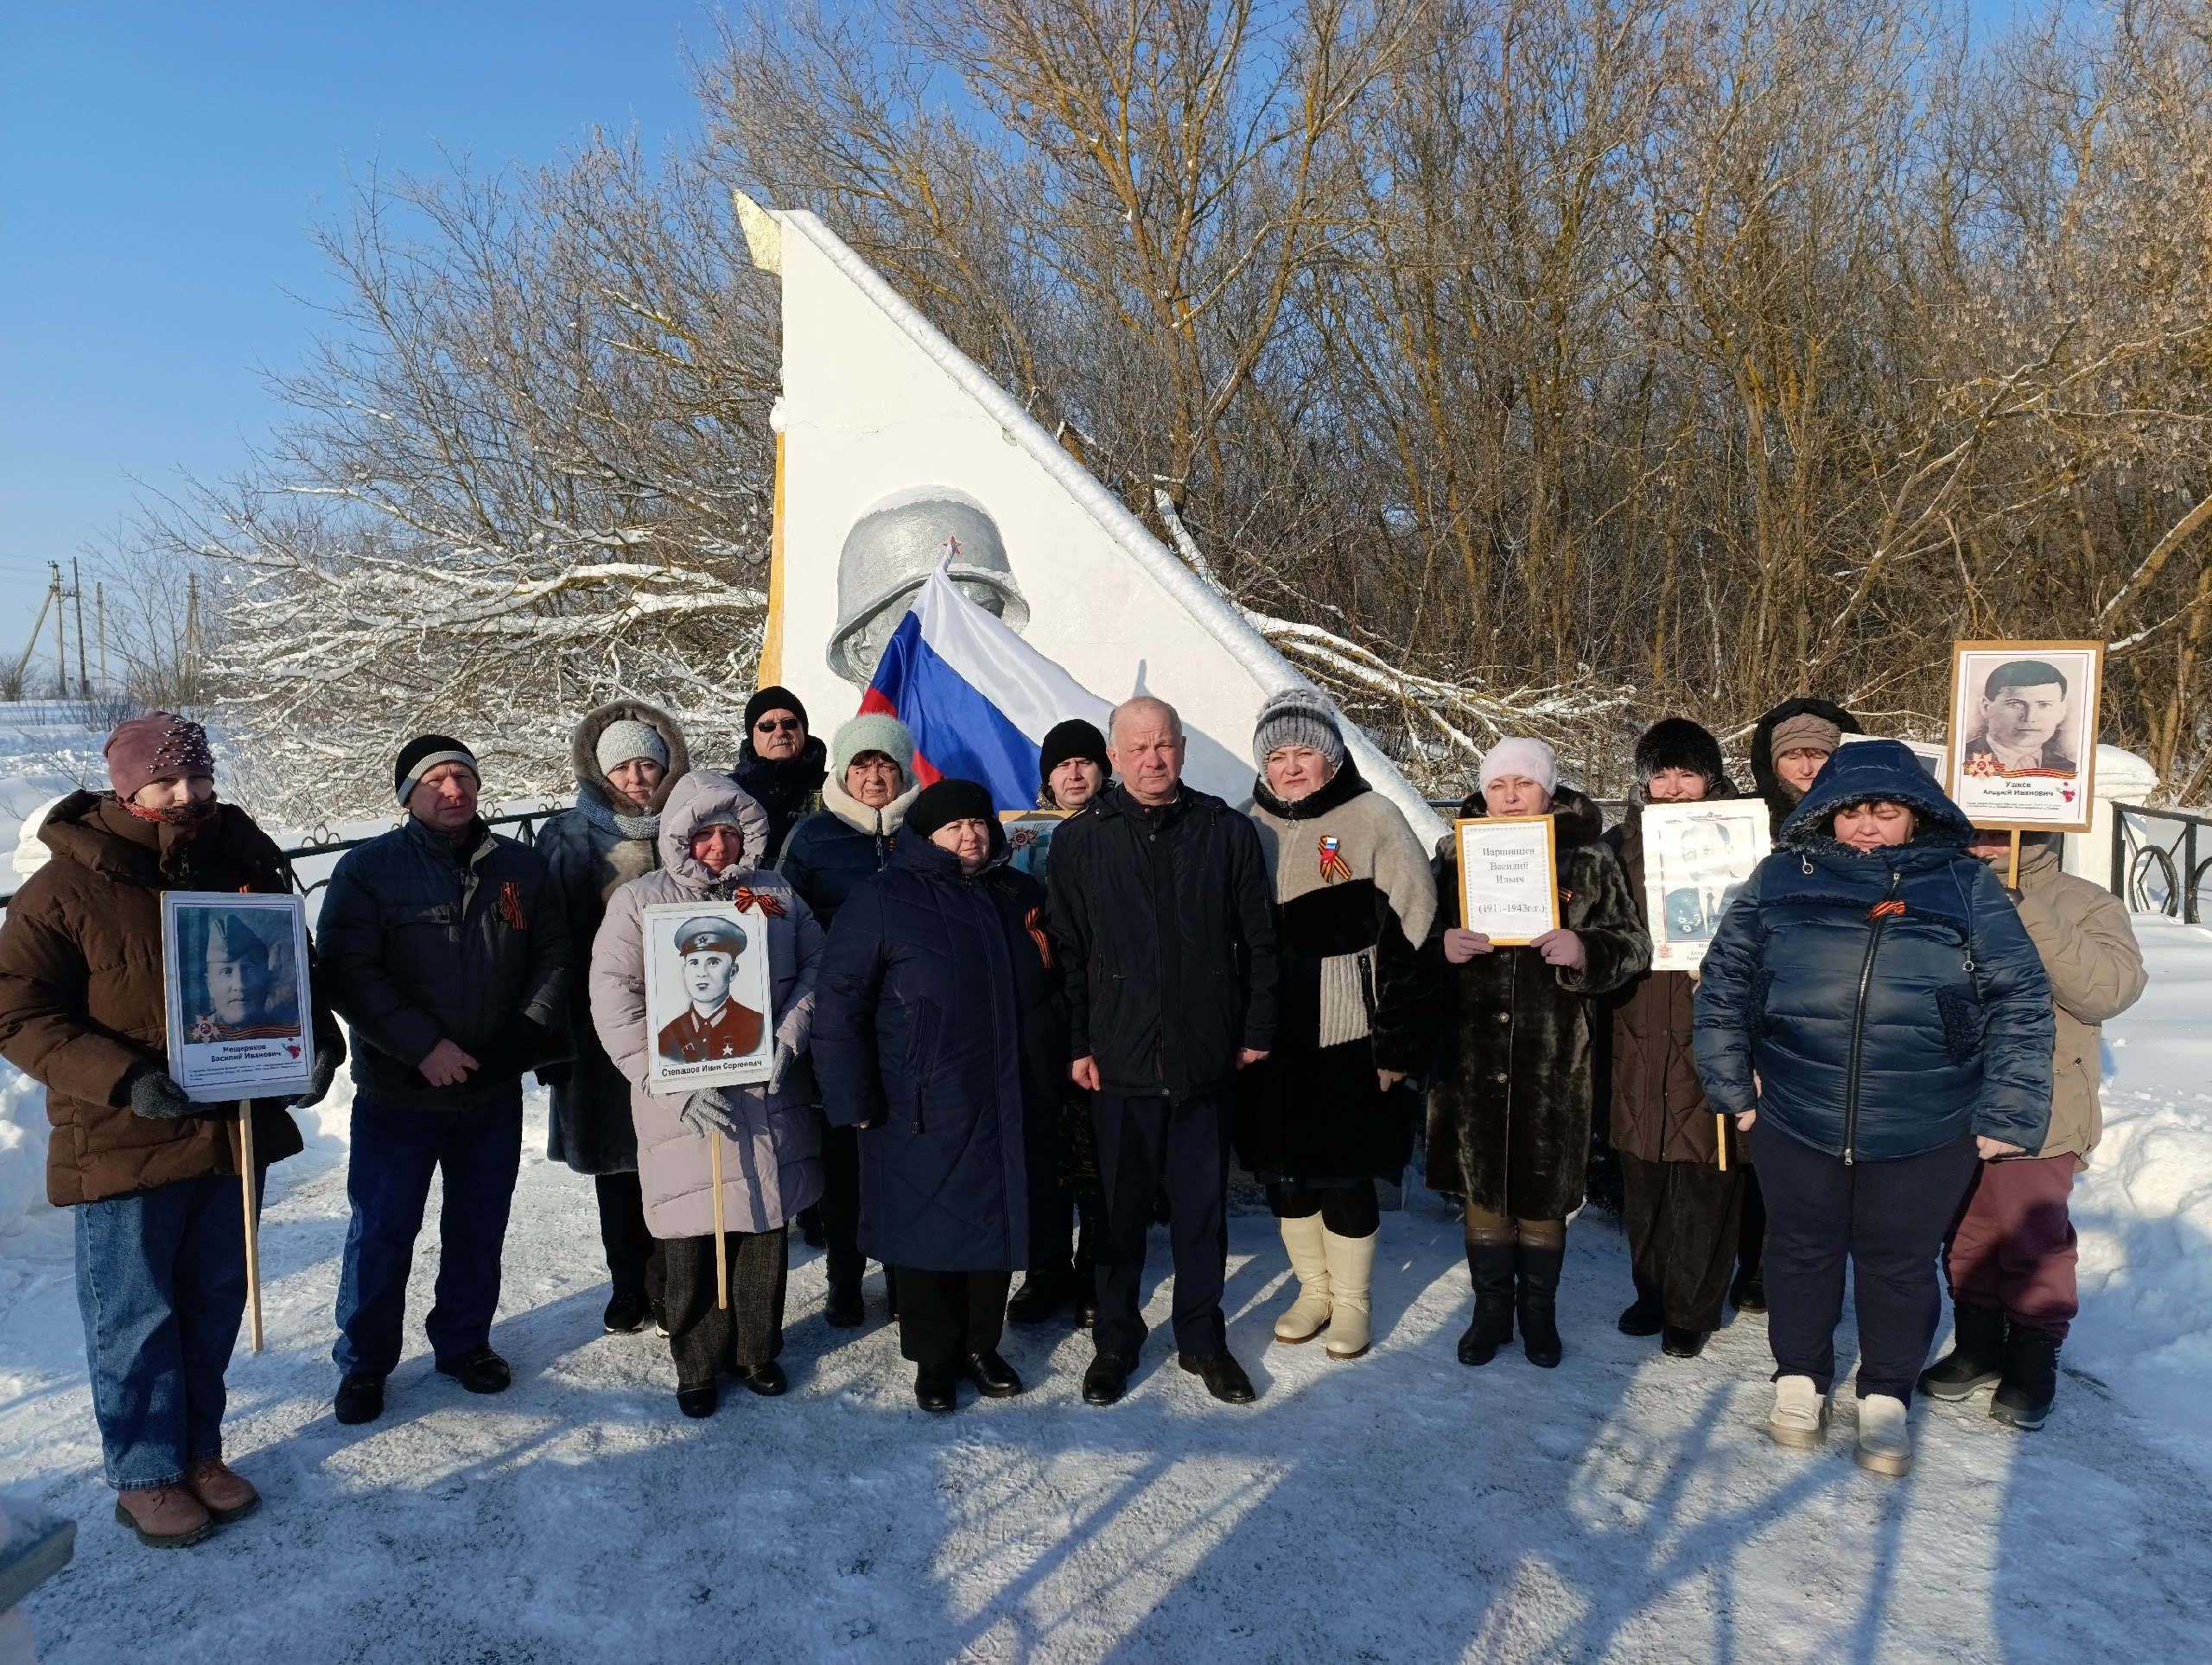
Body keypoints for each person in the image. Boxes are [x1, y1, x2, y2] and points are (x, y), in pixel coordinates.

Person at [0, 713, 341, 1547]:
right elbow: (16, 1011)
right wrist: (124, 1078)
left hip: (232, 1130)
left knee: (215, 1297)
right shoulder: (65, 887)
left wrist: (315, 1048)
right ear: (126, 787)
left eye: (200, 777)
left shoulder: (245, 861)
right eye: (167, 781)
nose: (188, 795)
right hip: (124, 1137)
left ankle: (199, 1451)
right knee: (136, 1311)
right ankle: (145, 1469)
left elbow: (292, 971)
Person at [1694, 740, 2054, 1477]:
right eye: (1850, 811)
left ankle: (1886, 1392)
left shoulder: (1963, 884)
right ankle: (1800, 1377)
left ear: (1915, 816)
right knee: (1800, 1247)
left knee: (1897, 1263)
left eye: (1884, 812)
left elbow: (2019, 997)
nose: (1865, 826)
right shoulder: (1778, 879)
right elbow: (1724, 982)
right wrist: (1732, 1086)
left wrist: (2007, 1109)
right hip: (1794, 1108)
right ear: (1824, 816)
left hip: (1927, 1120)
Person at [317, 734, 571, 1427]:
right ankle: (365, 1361)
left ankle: (464, 1341)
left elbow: (552, 948)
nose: (454, 789)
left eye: (464, 776)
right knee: (383, 1228)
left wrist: (526, 1031)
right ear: (407, 794)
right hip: (401, 1091)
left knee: (478, 1222)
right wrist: (421, 1044)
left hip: (490, 1088)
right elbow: (347, 969)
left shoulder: (519, 867)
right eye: (436, 779)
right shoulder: (369, 870)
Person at [1045, 695, 1280, 1408]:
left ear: (1183, 748)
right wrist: (1079, 1043)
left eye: (1165, 745)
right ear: (1115, 757)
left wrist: (1257, 1029)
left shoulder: (1225, 831)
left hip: (1205, 1055)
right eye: (1138, 747)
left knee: (1202, 1210)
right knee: (1116, 1215)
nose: (1153, 758)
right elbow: (1070, 954)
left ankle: (1203, 1336)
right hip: (1119, 1057)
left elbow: (1260, 941)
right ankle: (1116, 1338)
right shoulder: (1082, 841)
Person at [813, 778, 1066, 1411]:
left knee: (995, 1228)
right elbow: (839, 1006)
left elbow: (1053, 987)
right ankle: (933, 1357)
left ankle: (982, 1344)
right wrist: (852, 1098)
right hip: (919, 1099)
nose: (971, 834)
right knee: (927, 1233)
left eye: (979, 822)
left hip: (1009, 1094)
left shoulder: (1019, 894)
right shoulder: (882, 898)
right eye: (954, 826)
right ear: (924, 837)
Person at [588, 773, 823, 1417]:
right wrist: (666, 1083)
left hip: (765, 1090)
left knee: (763, 1225)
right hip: (684, 1100)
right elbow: (614, 1000)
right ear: (679, 836)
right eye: (704, 832)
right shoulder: (641, 902)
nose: (718, 845)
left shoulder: (771, 893)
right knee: (693, 1233)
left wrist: (789, 1036)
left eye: (729, 832)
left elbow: (814, 965)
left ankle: (757, 1350)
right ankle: (695, 1360)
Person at [1424, 738, 1649, 1369]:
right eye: (1499, 785)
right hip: (1470, 1056)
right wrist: (1439, 946)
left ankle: (1538, 1315)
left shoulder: (1588, 861)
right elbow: (1410, 941)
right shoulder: (1451, 857)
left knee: (1544, 1192)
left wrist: (1587, 952)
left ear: (1549, 789)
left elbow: (1632, 944)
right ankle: (1490, 1310)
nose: (1512, 795)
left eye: (1525, 783)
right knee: (1484, 1189)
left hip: (1555, 1059)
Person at [1920, 828, 2145, 1428]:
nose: (1986, 842)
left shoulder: (2084, 900)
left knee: (2033, 1236)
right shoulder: (1935, 887)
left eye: (2002, 829)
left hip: (2045, 1101)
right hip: (1954, 1098)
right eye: (1975, 828)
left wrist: (2022, 905)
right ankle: (1978, 1345)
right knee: (1965, 1230)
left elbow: (2108, 990)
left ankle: (2032, 1357)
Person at [1236, 690, 1435, 1361]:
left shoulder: (1372, 816)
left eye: (1305, 753)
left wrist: (1398, 1038)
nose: (1292, 767)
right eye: (1279, 754)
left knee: (1344, 1171)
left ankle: (1352, 1301)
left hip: (1348, 1030)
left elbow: (1417, 927)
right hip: (1266, 1033)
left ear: (1333, 756)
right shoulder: (1246, 825)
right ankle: (1313, 1288)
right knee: (1284, 1172)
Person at [537, 701, 690, 1337]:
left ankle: (671, 1281)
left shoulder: (690, 822)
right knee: (619, 1161)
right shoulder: (570, 836)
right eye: (623, 765)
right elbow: (550, 939)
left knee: (679, 1154)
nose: (637, 777)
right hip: (600, 1027)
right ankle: (628, 1282)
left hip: (687, 1015)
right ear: (601, 772)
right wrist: (552, 1034)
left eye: (647, 764)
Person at [1604, 719, 1745, 1361]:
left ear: (1709, 777)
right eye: (1660, 772)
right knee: (1645, 1174)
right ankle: (1650, 1291)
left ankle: (1693, 1304)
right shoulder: (1618, 845)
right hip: (1638, 1028)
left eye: (1686, 771)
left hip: (1710, 1027)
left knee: (1707, 1172)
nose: (1673, 785)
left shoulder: (1744, 839)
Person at [777, 712, 923, 1326]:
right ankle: (844, 1276)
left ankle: (901, 1270)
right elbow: (780, 911)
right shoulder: (812, 836)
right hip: (838, 1021)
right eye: (861, 763)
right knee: (844, 1157)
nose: (873, 775)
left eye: (884, 763)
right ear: (842, 769)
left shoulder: (926, 830)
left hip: (914, 1021)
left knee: (905, 1153)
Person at [1735, 696, 1863, 1313]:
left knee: (1815, 1146)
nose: (1807, 765)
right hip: (1759, 993)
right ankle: (1754, 1260)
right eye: (1794, 754)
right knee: (1756, 1140)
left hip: (1833, 996)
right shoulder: (1744, 823)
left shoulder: (1865, 822)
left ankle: (1798, 1266)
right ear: (1773, 761)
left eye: (1820, 752)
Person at [1005, 717, 1111, 1328]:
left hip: (1105, 1009)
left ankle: (1096, 1268)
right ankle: (1045, 1268)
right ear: (1047, 774)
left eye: (1085, 762)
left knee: (1097, 1149)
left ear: (1103, 767)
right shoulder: (1019, 834)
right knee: (1042, 1149)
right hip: (1038, 1008)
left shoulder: (1125, 828)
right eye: (1062, 764)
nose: (1074, 774)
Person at [731, 686, 829, 864]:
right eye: (766, 726)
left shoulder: (834, 788)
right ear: (752, 736)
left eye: (789, 723)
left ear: (802, 730)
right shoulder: (729, 791)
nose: (780, 732)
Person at [1961, 660, 2078, 777]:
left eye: (2043, 705)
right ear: (1986, 707)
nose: (2029, 717)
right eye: (2015, 704)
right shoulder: (1960, 761)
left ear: (2061, 711)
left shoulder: (2071, 771)